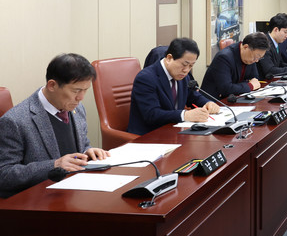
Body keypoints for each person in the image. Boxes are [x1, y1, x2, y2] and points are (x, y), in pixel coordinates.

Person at [0, 53, 109, 198]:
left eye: (85, 90)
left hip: (74, 192)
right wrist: (54, 165)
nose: (81, 97)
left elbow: (81, 145)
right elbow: (4, 174)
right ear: (52, 85)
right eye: (76, 91)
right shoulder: (14, 121)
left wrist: (88, 151)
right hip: (37, 199)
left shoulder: (77, 108)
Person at [128, 38, 220, 135]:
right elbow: (152, 114)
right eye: (184, 64)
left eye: (191, 66)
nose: (186, 70)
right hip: (149, 135)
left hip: (174, 131)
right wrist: (184, 115)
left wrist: (208, 103)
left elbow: (193, 96)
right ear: (169, 58)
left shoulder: (183, 76)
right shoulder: (146, 78)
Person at [200, 32, 270, 99]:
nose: (256, 60)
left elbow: (254, 79)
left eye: (259, 58)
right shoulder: (224, 58)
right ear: (246, 47)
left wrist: (242, 86)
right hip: (215, 101)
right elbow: (226, 89)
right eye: (256, 57)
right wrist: (250, 86)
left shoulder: (250, 57)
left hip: (236, 98)